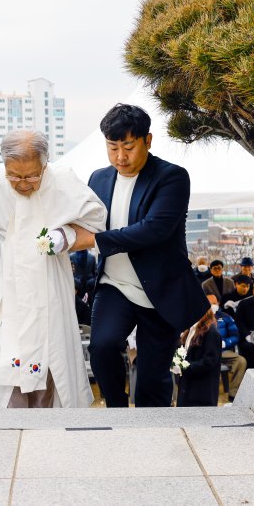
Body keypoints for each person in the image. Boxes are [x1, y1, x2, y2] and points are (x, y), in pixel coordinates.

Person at [0, 129, 107, 408]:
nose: (22, 184)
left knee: (50, 357)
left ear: (45, 164)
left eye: (31, 176)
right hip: (4, 284)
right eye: (14, 176)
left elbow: (97, 225)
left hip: (48, 282)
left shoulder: (63, 181)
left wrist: (65, 235)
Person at [73, 104, 209, 407]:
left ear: (147, 141)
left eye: (128, 147)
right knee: (102, 348)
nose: (120, 156)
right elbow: (84, 221)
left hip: (160, 292)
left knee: (151, 380)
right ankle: (117, 411)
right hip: (114, 286)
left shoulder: (172, 177)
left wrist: (94, 240)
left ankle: (156, 434)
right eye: (113, 147)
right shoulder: (98, 178)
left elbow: (153, 230)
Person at [174, 307, 222, 407]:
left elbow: (209, 362)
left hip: (201, 394)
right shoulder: (189, 330)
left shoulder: (211, 333)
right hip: (186, 389)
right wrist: (176, 362)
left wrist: (184, 367)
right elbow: (182, 352)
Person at [207, 295, 246, 402]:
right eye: (208, 303)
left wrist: (224, 343)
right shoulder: (198, 316)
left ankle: (233, 393)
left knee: (241, 361)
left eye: (213, 303)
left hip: (223, 351)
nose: (211, 305)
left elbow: (235, 335)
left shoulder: (225, 317)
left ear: (218, 303)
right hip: (205, 352)